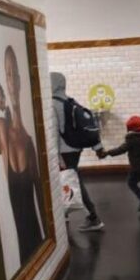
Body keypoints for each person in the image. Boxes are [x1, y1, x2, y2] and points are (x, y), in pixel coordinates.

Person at [0, 46, 46, 265]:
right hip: (20, 246)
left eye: (14, 75)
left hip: (37, 238)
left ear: (20, 81)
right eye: (7, 74)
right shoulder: (2, 129)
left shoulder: (29, 141)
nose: (11, 82)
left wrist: (50, 239)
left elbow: (41, 197)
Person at [51, 72, 105, 232]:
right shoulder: (70, 101)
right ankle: (65, 212)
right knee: (69, 179)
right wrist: (98, 147)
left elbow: (54, 133)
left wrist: (57, 156)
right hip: (75, 148)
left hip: (64, 151)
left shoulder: (53, 104)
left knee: (73, 181)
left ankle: (93, 217)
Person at [101, 115, 140, 216]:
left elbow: (120, 150)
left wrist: (108, 152)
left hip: (136, 167)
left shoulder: (132, 140)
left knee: (131, 183)